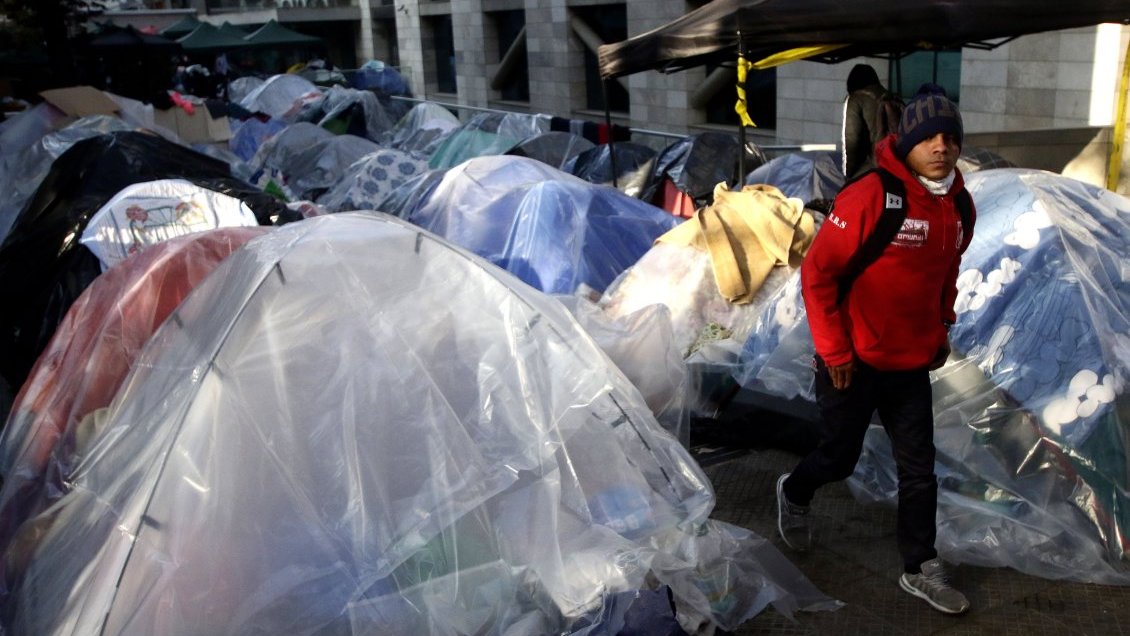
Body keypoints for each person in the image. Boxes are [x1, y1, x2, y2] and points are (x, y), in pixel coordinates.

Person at [776, 85, 975, 615]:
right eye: (929, 137)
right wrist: (835, 352)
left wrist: (943, 324)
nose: (941, 146)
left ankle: (920, 565)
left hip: (910, 363)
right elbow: (818, 275)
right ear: (907, 141)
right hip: (853, 361)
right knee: (838, 458)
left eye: (951, 137)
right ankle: (794, 491)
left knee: (919, 470)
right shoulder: (871, 195)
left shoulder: (959, 204)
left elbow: (947, 269)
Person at [841, 63, 895, 181]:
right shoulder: (894, 99)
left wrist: (849, 176)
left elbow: (851, 141)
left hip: (871, 172)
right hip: (896, 169)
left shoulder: (855, 100)